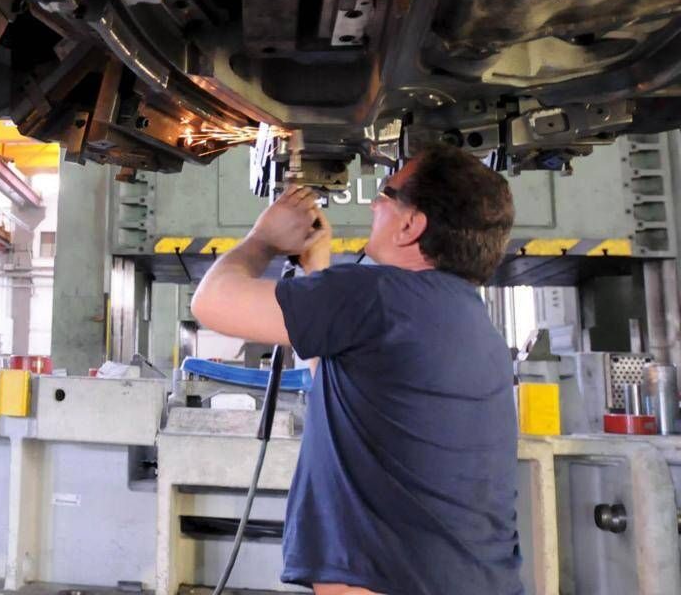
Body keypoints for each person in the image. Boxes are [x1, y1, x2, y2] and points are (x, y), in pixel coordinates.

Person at [190, 143, 522, 595]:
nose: (372, 205)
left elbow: (212, 302)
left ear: (411, 225)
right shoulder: (472, 323)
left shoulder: (377, 294)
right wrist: (316, 268)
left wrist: (263, 239)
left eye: (386, 192)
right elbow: (339, 376)